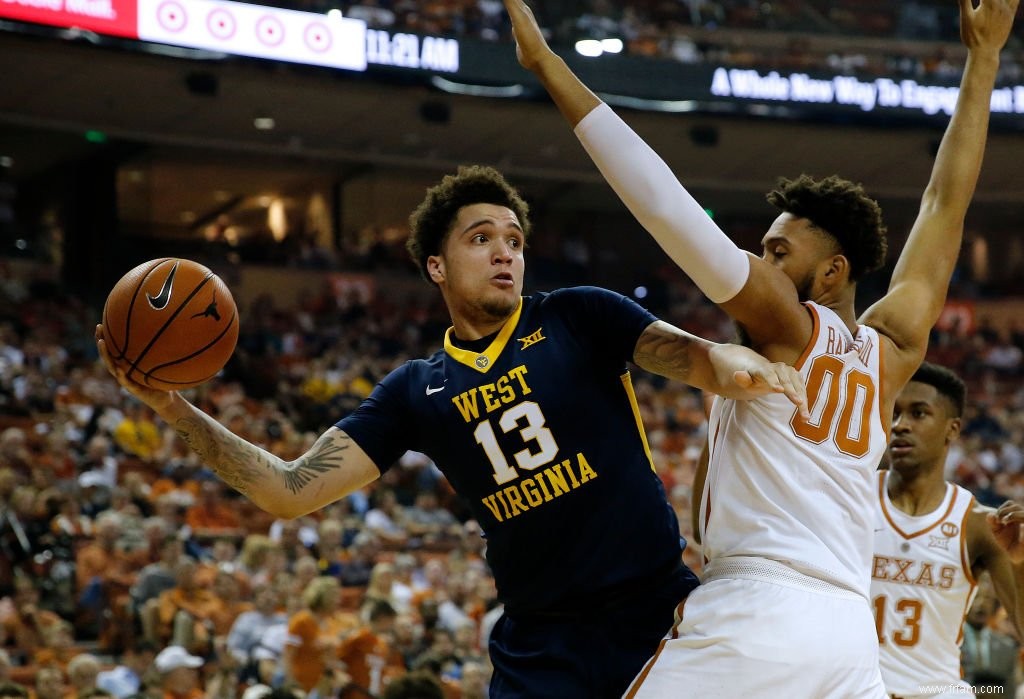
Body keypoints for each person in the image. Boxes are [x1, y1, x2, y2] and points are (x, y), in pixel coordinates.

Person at [96, 164, 808, 698]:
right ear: (436, 265)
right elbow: (288, 491)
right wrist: (172, 408)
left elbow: (694, 356)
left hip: (656, 615)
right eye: (481, 238)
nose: (505, 252)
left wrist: (740, 364)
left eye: (514, 240)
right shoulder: (415, 390)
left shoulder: (577, 316)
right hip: (540, 646)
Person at [501, 0, 1017, 694]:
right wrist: (983, 59)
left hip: (757, 609)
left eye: (779, 251)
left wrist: (549, 68)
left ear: (831, 273)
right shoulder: (892, 349)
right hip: (847, 635)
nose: (764, 263)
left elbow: (668, 209)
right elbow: (942, 206)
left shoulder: (788, 323)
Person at [873, 362, 1024, 698]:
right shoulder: (850, 498)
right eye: (894, 413)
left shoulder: (979, 524)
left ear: (952, 429)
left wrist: (1021, 562)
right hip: (853, 688)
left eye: (918, 413)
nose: (900, 425)